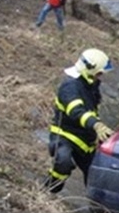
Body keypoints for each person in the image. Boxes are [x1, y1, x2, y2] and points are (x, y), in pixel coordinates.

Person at [44, 49, 115, 193]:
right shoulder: (70, 87)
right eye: (99, 73)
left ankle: (96, 205)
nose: (100, 77)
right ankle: (49, 191)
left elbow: (91, 110)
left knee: (94, 176)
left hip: (85, 140)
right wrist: (96, 125)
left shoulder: (90, 85)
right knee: (63, 161)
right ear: (90, 70)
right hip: (65, 135)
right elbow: (77, 111)